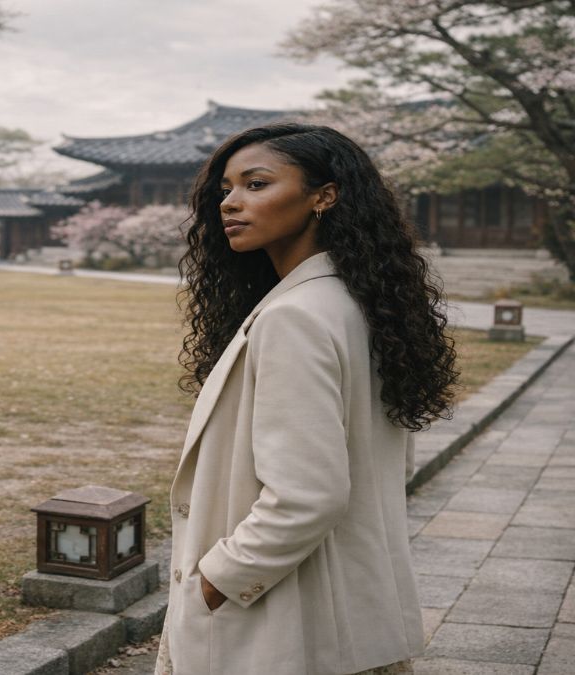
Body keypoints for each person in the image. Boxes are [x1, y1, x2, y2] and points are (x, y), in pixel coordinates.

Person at [154, 123, 458, 675]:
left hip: (287, 624)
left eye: (256, 184)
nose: (231, 203)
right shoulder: (360, 301)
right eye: (227, 188)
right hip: (354, 614)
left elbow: (308, 495)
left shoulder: (293, 316)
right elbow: (394, 460)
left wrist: (217, 580)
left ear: (324, 195)